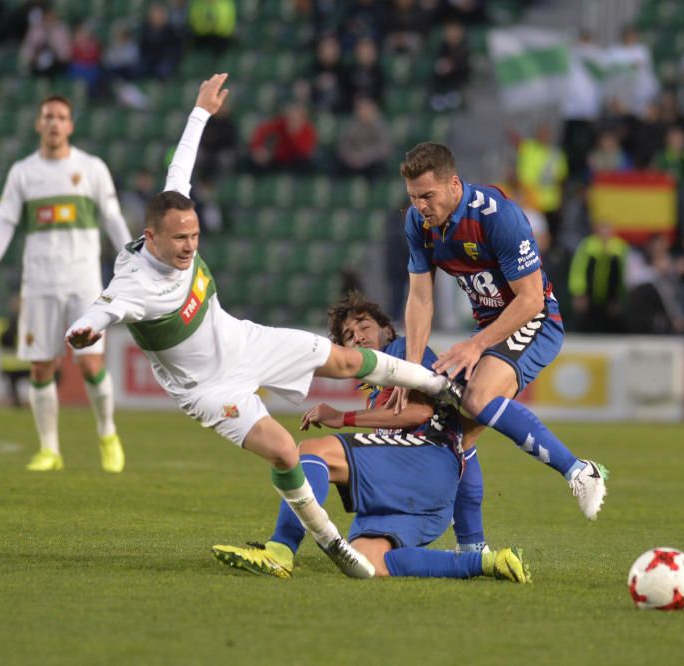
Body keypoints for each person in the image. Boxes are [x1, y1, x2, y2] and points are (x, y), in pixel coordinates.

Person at [64, 74, 464, 580]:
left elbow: (179, 166)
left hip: (241, 340)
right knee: (282, 449)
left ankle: (435, 383)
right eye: (180, 239)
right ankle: (328, 543)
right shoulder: (134, 284)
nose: (190, 247)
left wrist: (200, 111)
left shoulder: (172, 213)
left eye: (195, 235)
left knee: (339, 359)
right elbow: (105, 309)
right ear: (151, 237)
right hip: (206, 388)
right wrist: (85, 327)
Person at [211, 291, 525, 581]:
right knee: (368, 560)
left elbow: (420, 412)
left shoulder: (402, 351)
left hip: (428, 459)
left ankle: (280, 550)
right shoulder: (376, 395)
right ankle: (488, 563)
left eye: (364, 326)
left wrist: (341, 418)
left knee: (312, 451)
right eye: (349, 336)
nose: (358, 336)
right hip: (427, 496)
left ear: (387, 330)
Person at [395, 142, 608, 523]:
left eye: (428, 195)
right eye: (414, 198)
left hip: (534, 323)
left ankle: (580, 471)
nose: (422, 206)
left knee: (476, 398)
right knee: (457, 438)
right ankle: (472, 550)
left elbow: (530, 301)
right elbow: (421, 298)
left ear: (454, 185)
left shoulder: (498, 216)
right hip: (491, 328)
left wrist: (476, 345)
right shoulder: (418, 223)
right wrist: (409, 370)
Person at [0, 92, 132, 474]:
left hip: (83, 281)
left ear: (71, 125)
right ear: (38, 124)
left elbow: (111, 217)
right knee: (41, 367)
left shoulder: (91, 168)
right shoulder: (23, 172)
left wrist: (130, 258)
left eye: (61, 117)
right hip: (40, 283)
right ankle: (50, 450)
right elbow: (5, 223)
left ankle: (107, 434)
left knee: (91, 363)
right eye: (48, 116)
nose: (54, 123)